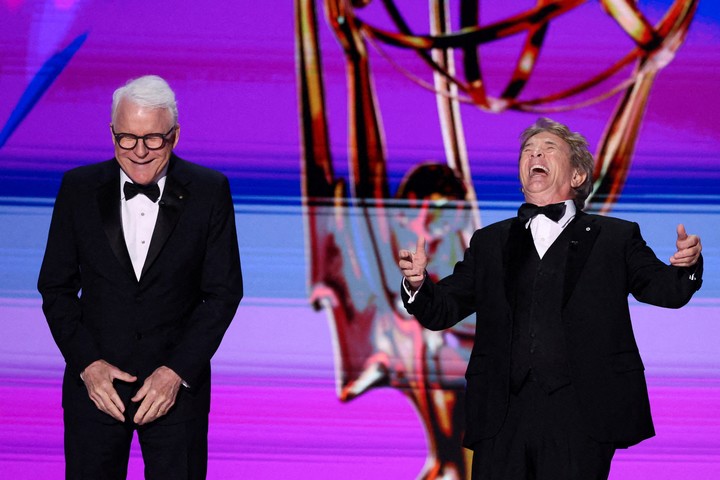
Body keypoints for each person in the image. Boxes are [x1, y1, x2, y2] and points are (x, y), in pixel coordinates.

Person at [398, 117, 703, 480]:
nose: (534, 155)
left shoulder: (616, 237)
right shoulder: (489, 241)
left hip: (581, 413)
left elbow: (666, 290)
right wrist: (418, 284)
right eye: (528, 151)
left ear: (577, 176)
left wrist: (688, 266)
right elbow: (443, 309)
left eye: (547, 149)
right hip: (501, 414)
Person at [37, 75, 243, 479]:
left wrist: (175, 373)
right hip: (95, 391)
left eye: (153, 139)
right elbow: (55, 287)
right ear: (112, 133)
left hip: (176, 391)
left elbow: (223, 292)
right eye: (127, 139)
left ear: (175, 136)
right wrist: (87, 365)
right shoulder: (78, 188)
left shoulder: (209, 190)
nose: (140, 152)